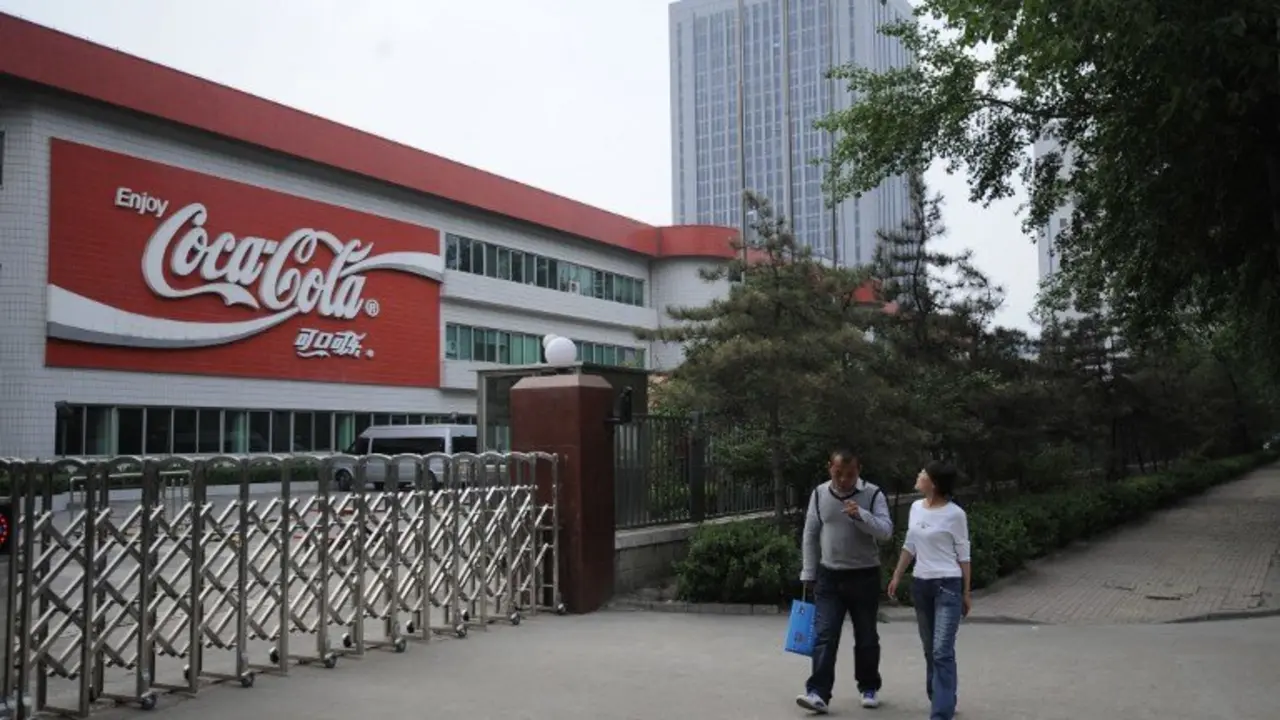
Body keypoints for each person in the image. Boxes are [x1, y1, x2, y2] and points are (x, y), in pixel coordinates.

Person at [796, 449, 895, 714]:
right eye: (838, 473)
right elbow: (810, 533)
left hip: (865, 574)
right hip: (829, 575)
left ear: (858, 471)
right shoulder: (819, 494)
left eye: (849, 475)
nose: (843, 480)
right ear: (830, 467)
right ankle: (818, 693)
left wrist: (860, 515)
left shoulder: (872, 494)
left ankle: (868, 687)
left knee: (866, 635)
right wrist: (808, 573)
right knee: (824, 634)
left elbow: (885, 531)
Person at [887, 462, 971, 720]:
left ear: (933, 483)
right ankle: (941, 697)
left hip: (948, 585)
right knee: (930, 649)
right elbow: (910, 545)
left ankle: (941, 713)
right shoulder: (915, 508)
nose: (918, 475)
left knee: (941, 650)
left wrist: (966, 592)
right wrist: (897, 575)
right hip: (921, 585)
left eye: (923, 474)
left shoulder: (955, 515)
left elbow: (964, 555)